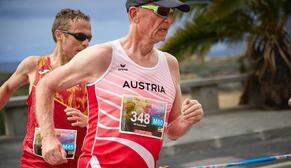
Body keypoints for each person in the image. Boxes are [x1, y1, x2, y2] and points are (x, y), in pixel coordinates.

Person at [35, 1, 204, 167]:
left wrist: (188, 119)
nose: (169, 20)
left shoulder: (170, 64)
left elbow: (172, 131)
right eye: (162, 11)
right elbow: (45, 85)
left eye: (171, 13)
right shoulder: (104, 56)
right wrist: (48, 137)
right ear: (134, 14)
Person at [0, 8, 92, 167]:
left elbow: (108, 112)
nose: (86, 43)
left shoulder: (90, 72)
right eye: (80, 36)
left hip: (78, 161)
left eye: (89, 38)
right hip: (35, 160)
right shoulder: (34, 65)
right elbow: (7, 89)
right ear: (59, 35)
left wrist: (89, 120)